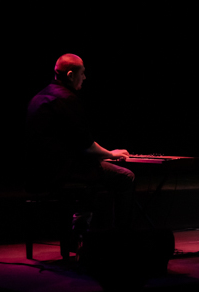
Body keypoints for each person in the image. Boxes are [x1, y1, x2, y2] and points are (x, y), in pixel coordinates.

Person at [26, 53, 135, 230]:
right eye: (82, 73)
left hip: (37, 172)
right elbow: (87, 146)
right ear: (70, 75)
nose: (84, 77)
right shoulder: (67, 98)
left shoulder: (38, 97)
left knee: (96, 168)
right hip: (63, 171)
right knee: (125, 176)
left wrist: (102, 154)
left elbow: (71, 142)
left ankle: (83, 225)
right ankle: (119, 236)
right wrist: (110, 154)